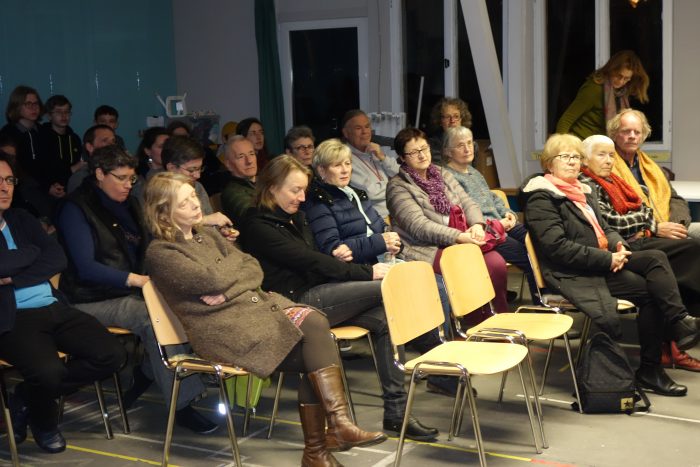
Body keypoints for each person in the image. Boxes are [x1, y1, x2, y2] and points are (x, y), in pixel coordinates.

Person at [143, 171, 387, 466]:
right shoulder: (162, 252)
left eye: (194, 196)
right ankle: (323, 443)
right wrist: (233, 283)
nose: (196, 206)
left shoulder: (205, 235)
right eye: (184, 203)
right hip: (226, 332)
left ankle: (332, 432)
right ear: (164, 214)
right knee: (317, 349)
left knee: (315, 323)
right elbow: (211, 281)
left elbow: (253, 266)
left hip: (254, 313)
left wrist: (229, 287)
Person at [241, 155, 439, 441]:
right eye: (295, 190)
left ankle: (397, 415)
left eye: (304, 190)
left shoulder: (294, 215)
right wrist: (366, 271)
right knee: (390, 287)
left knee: (386, 318)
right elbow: (307, 260)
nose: (302, 197)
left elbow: (317, 257)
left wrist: (337, 256)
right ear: (272, 188)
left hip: (321, 290)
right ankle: (436, 352)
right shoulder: (258, 225)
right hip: (294, 303)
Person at [521, 133, 700, 396]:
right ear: (549, 163)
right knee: (650, 289)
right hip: (573, 272)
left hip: (600, 260)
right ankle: (654, 365)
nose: (572, 163)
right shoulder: (542, 198)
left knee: (656, 259)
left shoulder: (583, 191)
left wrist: (619, 246)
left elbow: (605, 228)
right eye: (564, 157)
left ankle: (678, 323)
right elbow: (557, 249)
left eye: (576, 157)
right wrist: (608, 259)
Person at [55, 145, 217, 433]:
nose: (128, 185)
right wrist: (137, 280)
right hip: (88, 298)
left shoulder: (129, 203)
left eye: (131, 179)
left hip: (129, 290)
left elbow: (152, 243)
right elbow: (85, 267)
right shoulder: (75, 207)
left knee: (183, 303)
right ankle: (182, 404)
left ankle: (148, 372)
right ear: (99, 174)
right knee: (151, 317)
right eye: (121, 178)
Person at [0, 151, 126, 453]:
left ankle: (27, 398)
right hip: (13, 317)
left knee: (111, 354)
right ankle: (44, 422)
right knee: (49, 372)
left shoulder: (21, 218)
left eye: (8, 180)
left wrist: (15, 274)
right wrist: (31, 254)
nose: (4, 187)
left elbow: (57, 256)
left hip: (54, 306)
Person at [580, 134, 700, 371]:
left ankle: (677, 335)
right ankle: (679, 332)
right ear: (585, 160)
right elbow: (613, 223)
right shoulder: (588, 184)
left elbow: (644, 207)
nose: (608, 160)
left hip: (639, 239)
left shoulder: (616, 180)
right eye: (601, 155)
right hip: (622, 247)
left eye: (611, 155)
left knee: (690, 255)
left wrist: (644, 220)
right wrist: (645, 221)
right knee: (684, 259)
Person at [386, 127, 510, 313]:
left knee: (496, 264)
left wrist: (477, 225)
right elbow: (419, 227)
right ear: (402, 158)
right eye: (414, 152)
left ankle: (499, 315)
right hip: (425, 248)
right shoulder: (398, 186)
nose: (422, 155)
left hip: (460, 239)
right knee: (466, 266)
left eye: (424, 149)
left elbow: (468, 203)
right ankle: (474, 321)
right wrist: (458, 236)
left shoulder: (442, 174)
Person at [442, 126, 538, 301]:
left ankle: (551, 296)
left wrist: (508, 214)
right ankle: (541, 302)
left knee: (537, 243)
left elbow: (493, 199)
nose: (467, 148)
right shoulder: (448, 177)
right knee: (528, 257)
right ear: (448, 152)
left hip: (502, 224)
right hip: (486, 233)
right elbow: (463, 214)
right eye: (460, 145)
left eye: (470, 143)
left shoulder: (474, 171)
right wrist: (499, 223)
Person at [304, 138, 400, 264]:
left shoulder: (358, 194)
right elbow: (332, 248)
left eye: (348, 163)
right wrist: (381, 242)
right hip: (355, 271)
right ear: (322, 170)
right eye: (337, 165)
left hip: (379, 261)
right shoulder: (318, 202)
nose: (345, 170)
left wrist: (395, 242)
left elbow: (383, 229)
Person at [608, 108, 700, 239]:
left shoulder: (651, 166)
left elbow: (674, 198)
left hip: (667, 223)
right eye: (626, 131)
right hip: (640, 232)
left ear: (643, 136)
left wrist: (676, 224)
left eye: (637, 132)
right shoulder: (607, 166)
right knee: (693, 247)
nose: (632, 136)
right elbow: (616, 212)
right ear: (614, 134)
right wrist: (655, 227)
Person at [556, 50, 649, 139]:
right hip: (582, 143)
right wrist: (563, 147)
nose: (621, 81)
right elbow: (566, 119)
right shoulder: (594, 89)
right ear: (611, 70)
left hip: (601, 146)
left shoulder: (622, 93)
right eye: (618, 76)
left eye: (626, 78)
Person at [160, 135, 234, 231]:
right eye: (191, 170)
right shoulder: (158, 193)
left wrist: (221, 232)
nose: (198, 175)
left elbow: (212, 226)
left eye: (199, 168)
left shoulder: (197, 186)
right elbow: (165, 229)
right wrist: (205, 220)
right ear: (172, 168)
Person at [341, 109, 400, 218]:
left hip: (398, 211)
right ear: (346, 133)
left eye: (367, 126)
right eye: (358, 128)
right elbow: (370, 192)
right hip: (379, 219)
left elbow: (402, 173)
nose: (365, 132)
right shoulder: (344, 160)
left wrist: (383, 157)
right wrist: (396, 184)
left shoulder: (374, 150)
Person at [38, 94, 83, 200]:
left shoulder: (74, 138)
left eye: (67, 112)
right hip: (50, 188)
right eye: (58, 112)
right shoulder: (42, 137)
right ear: (49, 116)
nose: (64, 116)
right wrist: (73, 168)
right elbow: (45, 169)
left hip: (72, 186)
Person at [66, 124, 117, 193]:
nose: (111, 145)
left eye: (113, 141)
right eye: (104, 140)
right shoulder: (80, 179)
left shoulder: (123, 173)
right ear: (90, 147)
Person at [221, 135, 258, 227]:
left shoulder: (265, 182)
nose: (249, 161)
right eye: (241, 157)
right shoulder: (231, 193)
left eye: (251, 154)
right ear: (228, 164)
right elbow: (254, 217)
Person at [428, 97, 473, 165]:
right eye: (447, 117)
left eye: (456, 116)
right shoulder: (433, 144)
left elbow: (472, 171)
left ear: (462, 119)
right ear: (440, 121)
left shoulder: (472, 145)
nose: (452, 121)